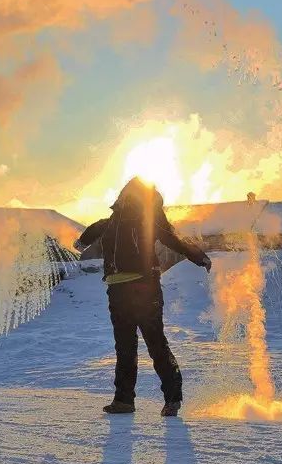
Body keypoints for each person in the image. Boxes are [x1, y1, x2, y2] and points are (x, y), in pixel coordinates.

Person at [75, 177, 211, 417]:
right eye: (124, 194)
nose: (125, 198)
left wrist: (198, 256)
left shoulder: (150, 219)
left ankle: (173, 398)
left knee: (155, 343)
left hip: (145, 287)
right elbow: (96, 228)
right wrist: (81, 240)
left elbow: (173, 238)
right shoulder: (113, 221)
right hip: (117, 290)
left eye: (130, 194)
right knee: (124, 347)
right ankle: (124, 401)